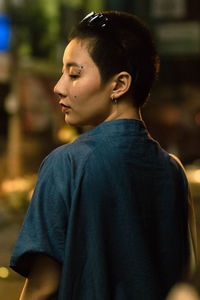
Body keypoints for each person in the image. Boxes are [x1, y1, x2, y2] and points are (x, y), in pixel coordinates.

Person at [10, 11, 198, 300]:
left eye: (74, 74)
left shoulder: (65, 164)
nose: (59, 87)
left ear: (120, 85)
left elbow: (42, 287)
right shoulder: (173, 171)